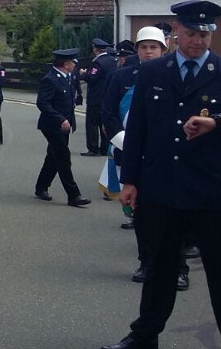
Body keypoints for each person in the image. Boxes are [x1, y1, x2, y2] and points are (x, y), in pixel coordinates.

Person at [102, 0, 221, 349]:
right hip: (162, 185)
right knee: (159, 270)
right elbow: (138, 129)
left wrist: (220, 122)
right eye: (191, 33)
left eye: (205, 35)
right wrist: (129, 180)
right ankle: (143, 337)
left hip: (211, 188)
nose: (198, 41)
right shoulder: (152, 72)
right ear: (176, 31)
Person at [101, 26, 191, 290]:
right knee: (141, 213)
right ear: (137, 50)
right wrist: (126, 143)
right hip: (132, 153)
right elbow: (108, 113)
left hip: (168, 155)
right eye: (144, 47)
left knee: (175, 213)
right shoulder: (120, 77)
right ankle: (147, 263)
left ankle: (179, 268)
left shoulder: (177, 75)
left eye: (154, 47)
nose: (149, 52)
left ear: (164, 49)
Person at [34, 48, 92, 207]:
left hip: (64, 124)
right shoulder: (50, 79)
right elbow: (42, 103)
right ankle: (74, 195)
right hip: (52, 125)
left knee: (53, 156)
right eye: (73, 62)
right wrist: (60, 119)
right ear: (66, 64)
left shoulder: (68, 76)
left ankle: (41, 187)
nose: (74, 64)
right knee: (63, 157)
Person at [79, 37, 118, 156]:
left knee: (92, 124)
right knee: (103, 123)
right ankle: (105, 148)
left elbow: (92, 78)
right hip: (107, 96)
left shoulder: (98, 62)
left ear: (95, 49)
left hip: (96, 97)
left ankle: (93, 148)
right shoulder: (112, 60)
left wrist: (83, 74)